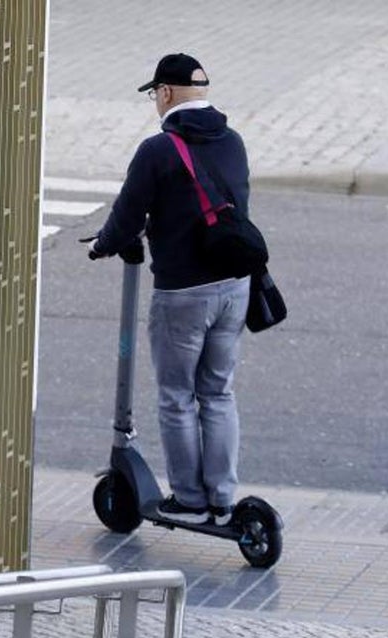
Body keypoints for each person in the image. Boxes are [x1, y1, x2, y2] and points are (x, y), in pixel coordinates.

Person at [87, 53, 252, 527]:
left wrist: (102, 246)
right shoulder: (234, 141)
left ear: (164, 93)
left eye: (154, 96)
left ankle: (190, 501)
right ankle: (222, 498)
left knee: (177, 396)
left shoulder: (158, 150)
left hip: (184, 292)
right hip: (234, 286)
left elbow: (127, 214)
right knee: (218, 393)